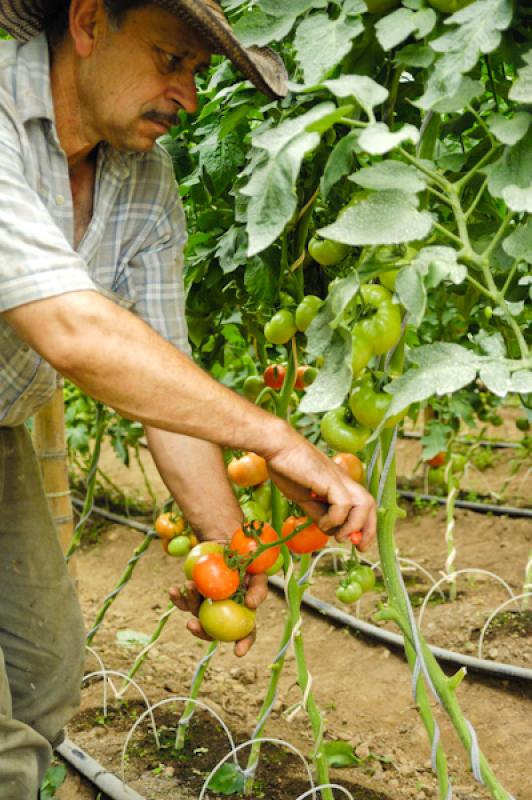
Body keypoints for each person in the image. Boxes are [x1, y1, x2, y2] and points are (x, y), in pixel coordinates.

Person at [0, 1, 377, 795]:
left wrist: (226, 542)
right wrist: (273, 437)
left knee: (44, 673)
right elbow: (72, 328)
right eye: (172, 59)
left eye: (197, 73)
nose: (188, 96)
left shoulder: (143, 177)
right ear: (89, 22)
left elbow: (163, 375)